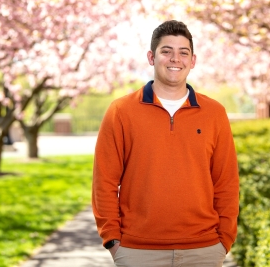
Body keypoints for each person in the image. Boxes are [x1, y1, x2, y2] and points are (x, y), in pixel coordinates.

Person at [92, 20, 239, 267]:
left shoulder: (214, 113)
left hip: (203, 250)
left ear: (193, 61)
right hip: (137, 251)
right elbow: (104, 181)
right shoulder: (121, 111)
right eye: (166, 51)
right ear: (152, 57)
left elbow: (226, 182)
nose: (175, 59)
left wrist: (224, 240)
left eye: (183, 52)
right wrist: (113, 241)